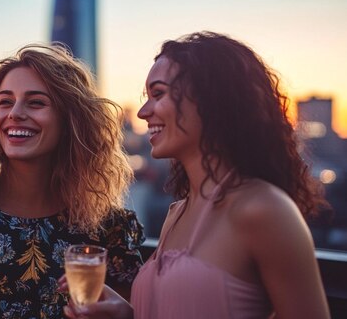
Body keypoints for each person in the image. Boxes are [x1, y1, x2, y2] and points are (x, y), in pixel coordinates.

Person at [62, 31, 331, 319]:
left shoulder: (263, 209)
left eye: (159, 94)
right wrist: (126, 315)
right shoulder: (177, 212)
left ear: (211, 100)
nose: (142, 112)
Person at [0, 43, 144, 318]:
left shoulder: (109, 228)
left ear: (71, 120)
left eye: (36, 102)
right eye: (5, 101)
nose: (14, 113)